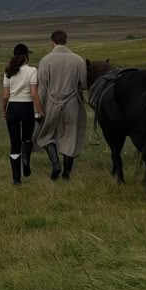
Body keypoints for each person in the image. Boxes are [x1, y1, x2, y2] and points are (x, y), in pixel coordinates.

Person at [35, 30, 87, 180]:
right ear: (66, 40)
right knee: (71, 136)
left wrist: (38, 111)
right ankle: (66, 173)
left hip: (51, 103)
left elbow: (42, 88)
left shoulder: (45, 60)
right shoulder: (78, 60)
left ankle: (55, 164)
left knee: (45, 135)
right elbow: (83, 84)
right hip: (72, 104)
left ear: (52, 41)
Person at [2, 43, 43, 185]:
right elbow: (34, 94)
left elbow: (5, 96)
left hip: (12, 108)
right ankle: (26, 159)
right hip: (26, 108)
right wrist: (40, 111)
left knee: (14, 143)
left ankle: (16, 179)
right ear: (26, 56)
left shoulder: (8, 70)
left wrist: (4, 110)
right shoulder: (32, 70)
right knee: (26, 138)